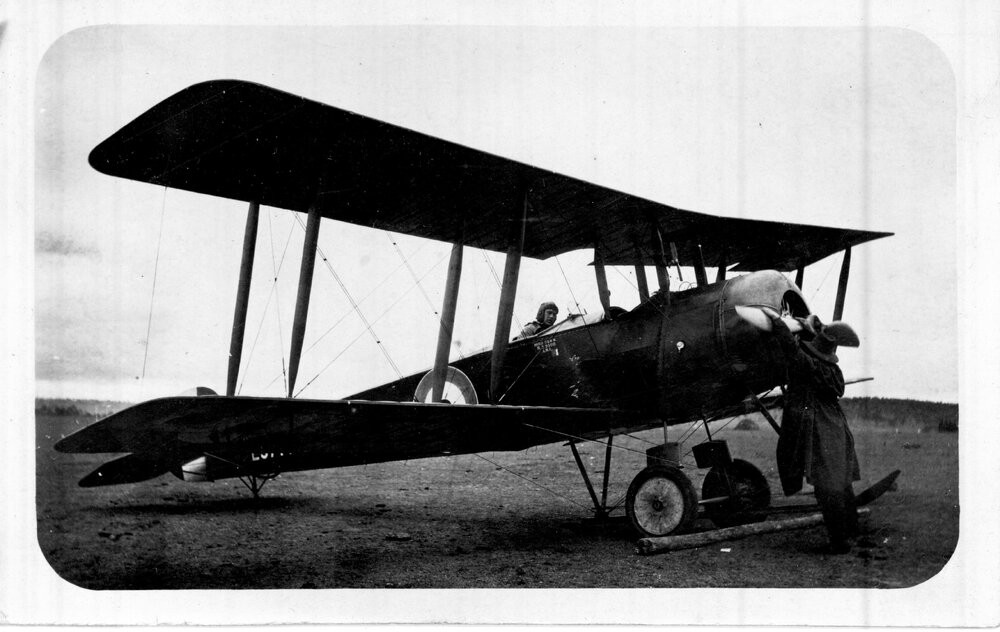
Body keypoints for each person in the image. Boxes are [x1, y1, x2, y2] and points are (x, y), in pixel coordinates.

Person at [768, 311, 862, 554]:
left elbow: (792, 350)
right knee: (842, 482)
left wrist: (778, 323)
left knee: (827, 486)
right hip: (838, 428)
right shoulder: (832, 370)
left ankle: (839, 541)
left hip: (821, 430)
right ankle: (851, 530)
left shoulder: (807, 363)